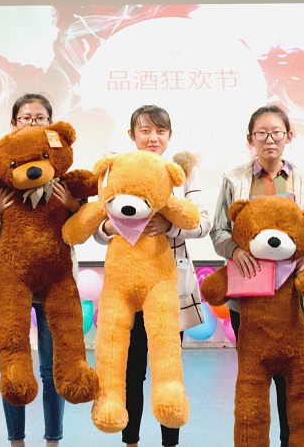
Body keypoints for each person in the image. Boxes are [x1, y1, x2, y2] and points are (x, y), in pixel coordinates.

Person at [94, 104, 211, 447]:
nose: (153, 138)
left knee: (168, 368)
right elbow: (97, 221)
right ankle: (130, 441)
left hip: (170, 289)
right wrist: (108, 227)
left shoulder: (182, 172)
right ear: (132, 135)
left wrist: (168, 226)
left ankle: (169, 443)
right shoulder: (118, 168)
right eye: (145, 131)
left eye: (160, 131)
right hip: (128, 291)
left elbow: (203, 222)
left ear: (169, 135)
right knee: (131, 373)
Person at [0, 93, 84, 447]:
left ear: (51, 123)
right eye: (26, 118)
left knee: (52, 368)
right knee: (13, 360)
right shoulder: (1, 174)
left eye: (40, 118)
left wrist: (74, 205)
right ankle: (16, 439)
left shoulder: (62, 177)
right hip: (10, 284)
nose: (32, 123)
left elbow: (82, 229)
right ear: (13, 123)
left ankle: (53, 439)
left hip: (56, 284)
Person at [209, 104, 304, 447]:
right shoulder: (234, 179)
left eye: (276, 132)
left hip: (292, 301)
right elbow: (218, 230)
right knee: (253, 383)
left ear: (289, 136)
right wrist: (235, 250)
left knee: (294, 387)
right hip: (248, 301)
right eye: (261, 133)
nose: (269, 139)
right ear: (250, 139)